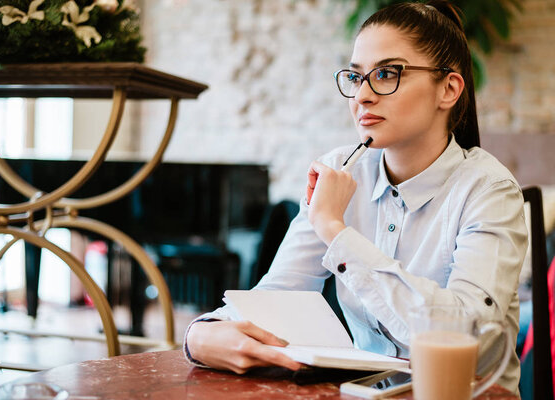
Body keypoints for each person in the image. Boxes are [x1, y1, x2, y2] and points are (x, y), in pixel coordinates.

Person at [185, 0, 527, 394]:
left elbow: (471, 336)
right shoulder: (340, 173)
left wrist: (334, 229)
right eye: (355, 76)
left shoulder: (489, 190)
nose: (361, 95)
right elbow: (276, 295)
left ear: (448, 88)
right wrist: (201, 333)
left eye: (385, 74)